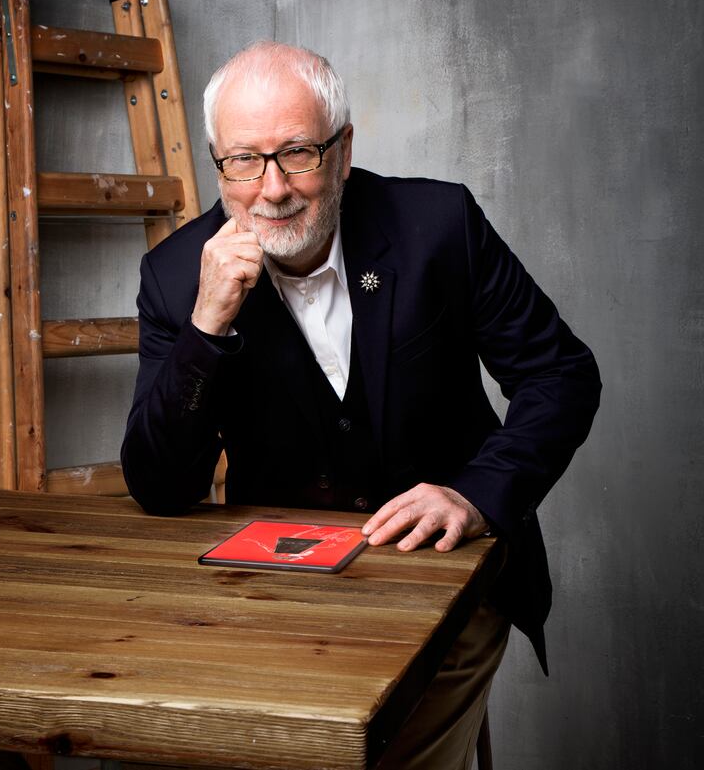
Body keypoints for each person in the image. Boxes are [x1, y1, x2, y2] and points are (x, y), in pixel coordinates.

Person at [122, 40, 601, 769]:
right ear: (220, 164)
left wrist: (475, 496)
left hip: (450, 582)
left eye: (298, 153)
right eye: (244, 160)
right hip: (275, 596)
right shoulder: (173, 277)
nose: (271, 188)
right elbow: (160, 488)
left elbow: (562, 374)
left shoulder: (439, 224)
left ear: (343, 151)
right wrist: (206, 325)